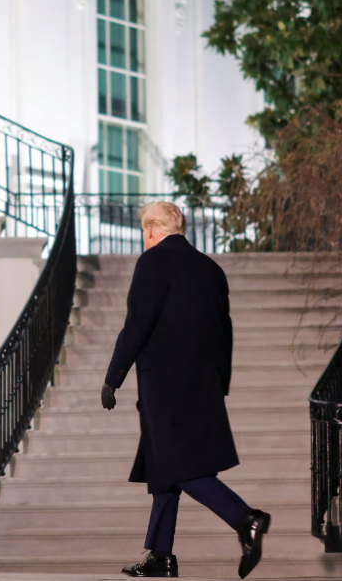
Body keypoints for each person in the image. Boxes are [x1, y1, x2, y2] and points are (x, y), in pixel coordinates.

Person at [102, 202, 270, 579]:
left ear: (150, 230)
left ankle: (246, 518)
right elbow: (223, 331)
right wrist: (219, 383)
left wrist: (113, 377)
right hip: (202, 384)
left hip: (163, 385)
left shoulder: (152, 263)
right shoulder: (211, 269)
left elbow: (136, 325)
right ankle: (160, 555)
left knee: (177, 466)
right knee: (163, 465)